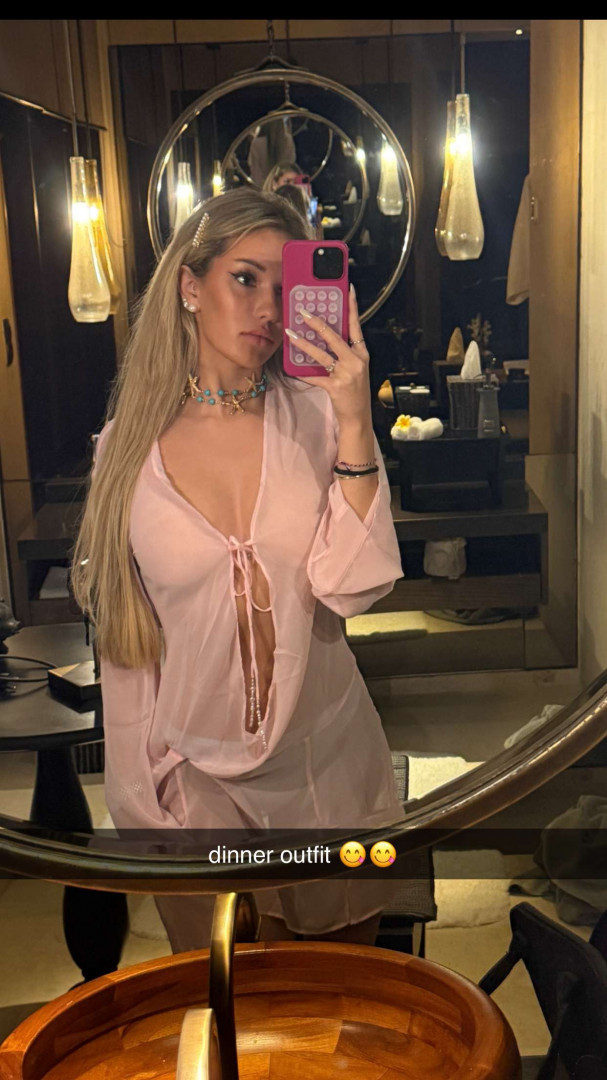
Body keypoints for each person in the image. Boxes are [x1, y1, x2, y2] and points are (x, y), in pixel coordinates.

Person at [71, 188, 405, 951]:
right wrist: (141, 805)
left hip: (326, 774)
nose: (267, 309)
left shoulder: (316, 419)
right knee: (228, 1009)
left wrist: (354, 416)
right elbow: (127, 645)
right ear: (190, 286)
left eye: (285, 288)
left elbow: (352, 587)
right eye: (245, 278)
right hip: (197, 792)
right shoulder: (127, 450)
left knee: (335, 1009)